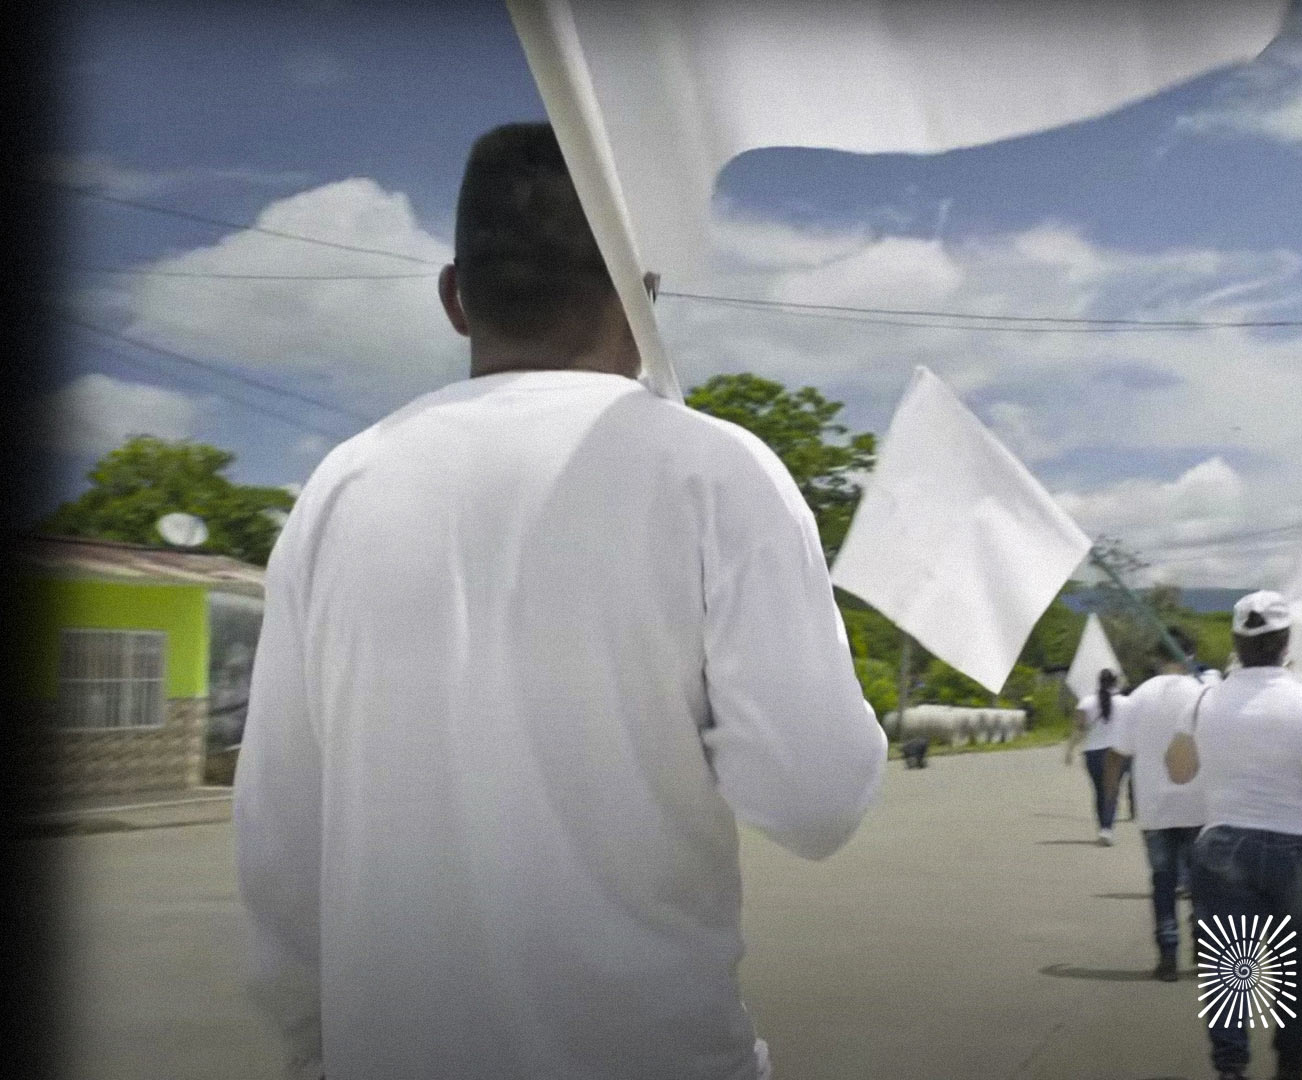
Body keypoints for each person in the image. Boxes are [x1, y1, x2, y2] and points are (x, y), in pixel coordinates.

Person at [233, 123, 887, 1080]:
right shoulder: (716, 471)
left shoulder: (341, 486)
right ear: (644, 292)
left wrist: (311, 1048)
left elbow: (281, 837)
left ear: (455, 298)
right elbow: (815, 798)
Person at [1172, 591, 1302, 1080]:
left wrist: (1191, 718)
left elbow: (1179, 771)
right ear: (1285, 642)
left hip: (1224, 846)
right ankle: (1292, 1065)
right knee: (1294, 965)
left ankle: (1231, 1067)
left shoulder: (1206, 699)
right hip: (1301, 851)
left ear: (1236, 642)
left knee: (1228, 967)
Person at [1102, 628, 1205, 981]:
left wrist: (1109, 802)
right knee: (1201, 883)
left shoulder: (1137, 698)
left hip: (1155, 807)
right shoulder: (1204, 693)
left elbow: (1118, 755)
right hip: (1199, 805)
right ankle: (1204, 949)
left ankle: (1167, 955)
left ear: (1157, 658)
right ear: (1190, 654)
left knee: (1163, 881)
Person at [1068, 667, 1127, 844]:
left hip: (1092, 753)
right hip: (1117, 753)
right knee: (1112, 792)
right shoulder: (1125, 702)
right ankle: (1107, 829)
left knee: (1100, 792)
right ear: (1115, 682)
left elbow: (1079, 728)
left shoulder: (1086, 702)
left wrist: (1070, 750)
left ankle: (1103, 827)